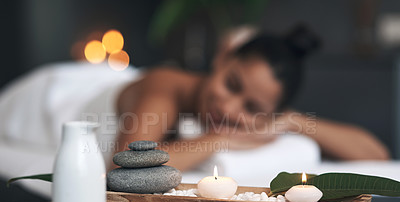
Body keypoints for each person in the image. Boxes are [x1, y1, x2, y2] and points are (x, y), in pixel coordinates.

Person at [114, 25, 390, 171]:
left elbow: (377, 156)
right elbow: (125, 167)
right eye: (232, 84)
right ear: (223, 57)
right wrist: (221, 139)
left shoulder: (274, 116)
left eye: (252, 108)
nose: (228, 108)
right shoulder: (165, 85)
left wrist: (292, 121)